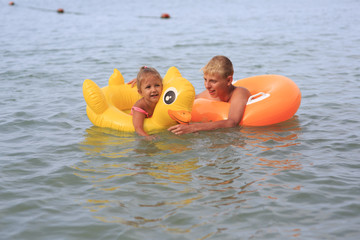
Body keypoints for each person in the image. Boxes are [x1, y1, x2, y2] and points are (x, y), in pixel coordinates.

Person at [168, 55, 251, 135]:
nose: (207, 86)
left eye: (213, 81)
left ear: (229, 80)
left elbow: (232, 122)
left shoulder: (239, 93)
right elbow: (186, 105)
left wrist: (194, 127)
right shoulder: (207, 95)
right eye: (205, 79)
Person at [131, 66, 163, 139]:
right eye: (148, 87)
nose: (154, 90)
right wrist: (147, 137)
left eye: (157, 85)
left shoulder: (162, 98)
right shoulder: (140, 106)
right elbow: (138, 128)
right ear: (140, 92)